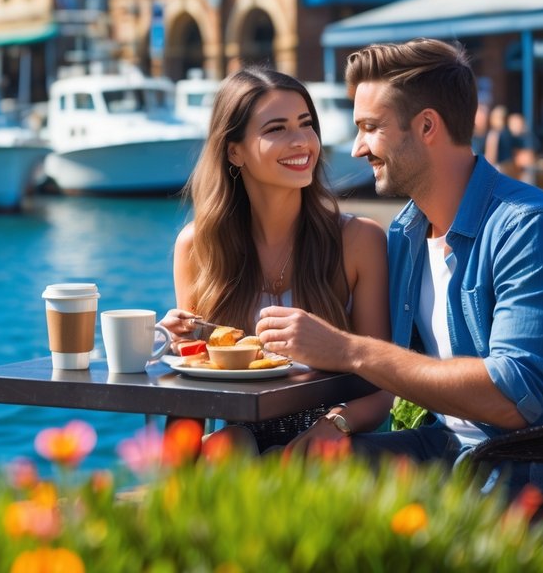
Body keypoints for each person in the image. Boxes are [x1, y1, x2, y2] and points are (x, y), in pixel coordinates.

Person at [255, 39, 543, 554]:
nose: (358, 148)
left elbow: (512, 395)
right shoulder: (407, 236)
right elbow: (363, 355)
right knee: (287, 478)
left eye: (370, 128)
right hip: (454, 458)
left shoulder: (530, 228)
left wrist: (346, 349)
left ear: (427, 127)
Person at [162, 67, 394, 452]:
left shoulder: (358, 240)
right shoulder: (197, 247)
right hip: (240, 438)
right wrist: (173, 344)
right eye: (277, 129)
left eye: (306, 125)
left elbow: (385, 382)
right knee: (226, 449)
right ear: (234, 150)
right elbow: (194, 386)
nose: (301, 141)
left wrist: (335, 424)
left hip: (335, 438)